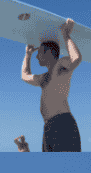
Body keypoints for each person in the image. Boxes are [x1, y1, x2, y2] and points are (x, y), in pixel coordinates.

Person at [21, 18, 83, 151]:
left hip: (63, 124)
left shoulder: (60, 66)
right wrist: (28, 55)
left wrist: (65, 34)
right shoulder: (43, 77)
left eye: (39, 53)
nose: (37, 57)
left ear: (49, 52)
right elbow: (25, 76)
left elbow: (76, 58)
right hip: (48, 127)